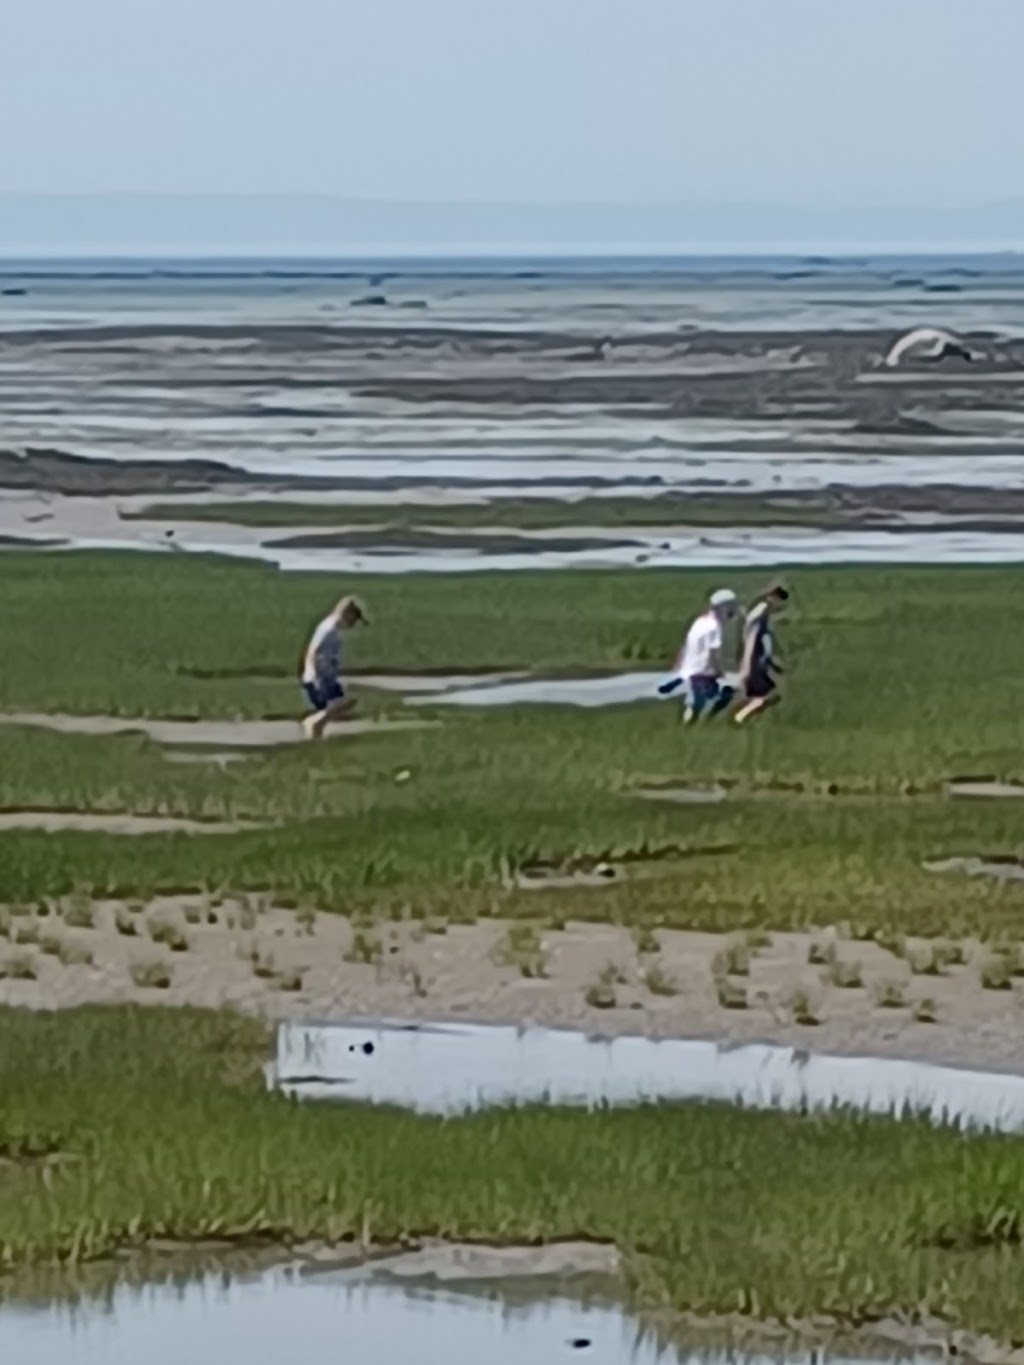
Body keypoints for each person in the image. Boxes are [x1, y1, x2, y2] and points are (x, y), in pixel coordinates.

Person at [658, 588, 739, 723]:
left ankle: (692, 722)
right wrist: (720, 672)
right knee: (726, 693)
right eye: (731, 607)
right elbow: (713, 654)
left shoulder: (699, 622)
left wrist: (678, 668)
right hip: (703, 672)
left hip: (689, 670)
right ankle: (706, 721)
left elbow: (685, 647)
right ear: (723, 607)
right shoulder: (714, 626)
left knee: (696, 702)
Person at [300, 595, 367, 740]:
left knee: (343, 704)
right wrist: (315, 677)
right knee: (340, 705)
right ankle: (312, 725)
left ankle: (315, 734)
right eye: (353, 619)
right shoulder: (328, 629)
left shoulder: (334, 629)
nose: (353, 623)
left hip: (327, 677)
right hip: (320, 678)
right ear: (347, 613)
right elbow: (313, 652)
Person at [734, 583, 789, 726]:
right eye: (779, 602)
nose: (780, 607)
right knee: (764, 696)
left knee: (768, 694)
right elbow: (752, 637)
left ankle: (747, 718)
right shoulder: (761, 613)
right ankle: (740, 718)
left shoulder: (762, 613)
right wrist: (747, 663)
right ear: (773, 598)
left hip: (759, 660)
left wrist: (770, 662)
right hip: (755, 660)